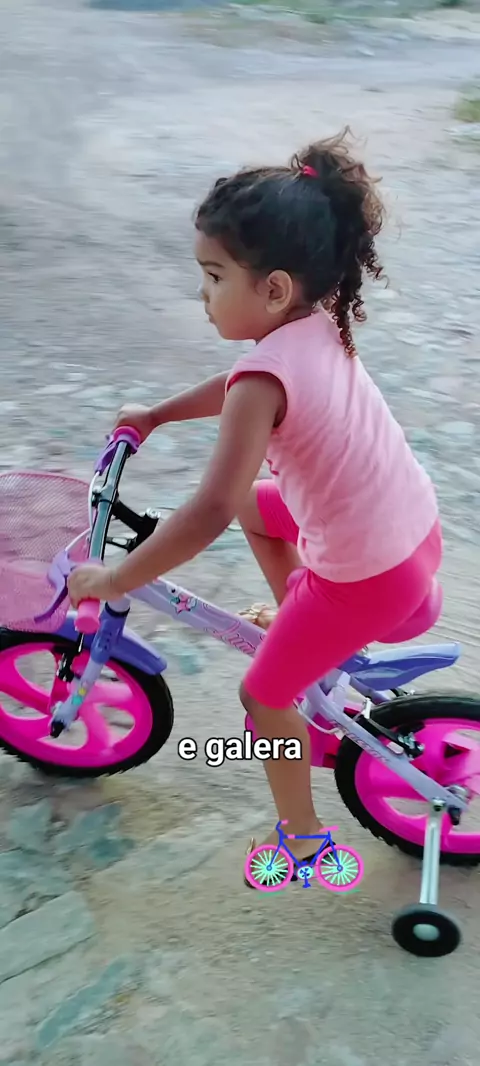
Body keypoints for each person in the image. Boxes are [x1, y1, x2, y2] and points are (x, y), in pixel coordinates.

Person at [68, 129, 442, 883]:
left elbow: (207, 509)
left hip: (368, 578)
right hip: (409, 535)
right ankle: (306, 626)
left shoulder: (263, 380)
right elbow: (242, 387)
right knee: (260, 507)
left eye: (212, 277)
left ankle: (302, 840)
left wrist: (114, 579)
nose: (202, 295)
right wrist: (157, 414)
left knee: (262, 695)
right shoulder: (317, 321)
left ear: (273, 288)